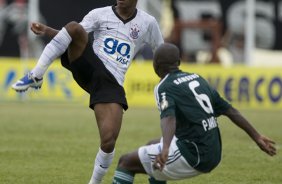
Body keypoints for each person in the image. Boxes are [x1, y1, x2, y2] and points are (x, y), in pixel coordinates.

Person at [11, 1, 164, 184]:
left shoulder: (148, 22)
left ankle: (94, 182)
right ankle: (36, 74)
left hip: (110, 83)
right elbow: (70, 36)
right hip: (88, 65)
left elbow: (161, 52)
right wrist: (48, 30)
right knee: (74, 28)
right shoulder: (99, 13)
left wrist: (168, 78)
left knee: (108, 141)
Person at [111, 43, 276, 184]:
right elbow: (230, 111)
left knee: (125, 162)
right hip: (214, 152)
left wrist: (166, 148)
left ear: (155, 65)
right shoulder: (198, 78)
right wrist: (257, 137)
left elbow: (169, 118)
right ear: (179, 62)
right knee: (151, 145)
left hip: (193, 155)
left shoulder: (164, 86)